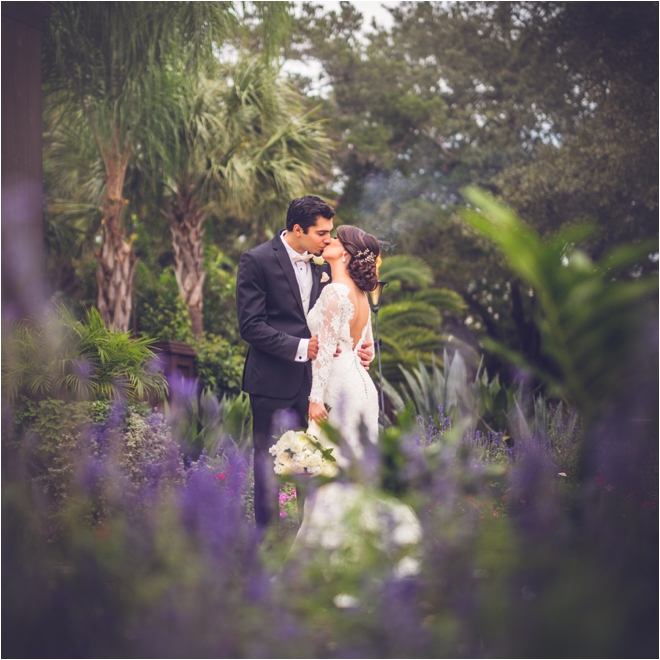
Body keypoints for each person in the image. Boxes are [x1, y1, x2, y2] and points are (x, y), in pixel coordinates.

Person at [236, 196, 373, 530]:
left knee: (317, 467)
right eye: (321, 233)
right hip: (271, 382)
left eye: (330, 233)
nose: (328, 240)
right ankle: (267, 543)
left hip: (320, 387)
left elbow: (343, 318)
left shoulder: (327, 266)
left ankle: (309, 540)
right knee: (267, 467)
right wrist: (302, 347)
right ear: (297, 229)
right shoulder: (255, 261)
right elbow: (250, 326)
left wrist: (361, 349)